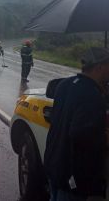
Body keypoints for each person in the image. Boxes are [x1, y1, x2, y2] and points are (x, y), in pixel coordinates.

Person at [44, 47, 109, 201]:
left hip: (54, 167)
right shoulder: (92, 95)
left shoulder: (65, 85)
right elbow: (81, 134)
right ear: (100, 67)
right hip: (74, 179)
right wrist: (104, 138)